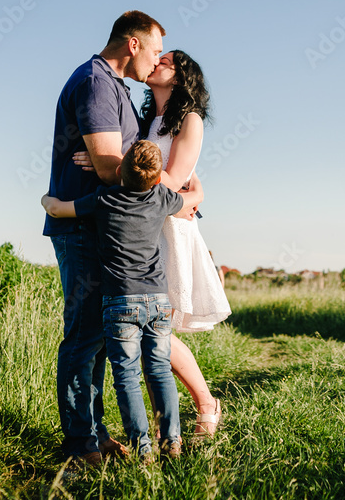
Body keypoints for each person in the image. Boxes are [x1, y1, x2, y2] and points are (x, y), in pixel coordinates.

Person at [75, 49, 230, 437]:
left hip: (168, 228)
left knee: (160, 328)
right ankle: (188, 413)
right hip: (146, 226)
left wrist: (108, 165)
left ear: (180, 76)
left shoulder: (189, 119)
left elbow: (173, 181)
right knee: (156, 329)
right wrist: (107, 160)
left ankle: (205, 403)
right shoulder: (149, 119)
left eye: (168, 60)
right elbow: (143, 173)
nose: (158, 60)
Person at [42, 10, 165, 468]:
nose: (155, 63)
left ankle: (94, 434)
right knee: (83, 337)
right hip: (80, 229)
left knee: (96, 338)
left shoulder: (114, 87)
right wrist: (114, 166)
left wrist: (110, 164)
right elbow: (113, 165)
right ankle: (79, 446)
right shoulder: (96, 82)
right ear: (132, 44)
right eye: (153, 51)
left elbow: (111, 164)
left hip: (96, 227)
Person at [42, 140, 204, 459]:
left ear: (118, 172)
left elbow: (59, 209)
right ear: (157, 179)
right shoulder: (161, 198)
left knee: (127, 374)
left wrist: (46, 199)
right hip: (158, 300)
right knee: (158, 369)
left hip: (120, 302)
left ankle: (142, 447)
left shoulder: (104, 198)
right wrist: (195, 180)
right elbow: (195, 198)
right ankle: (172, 441)